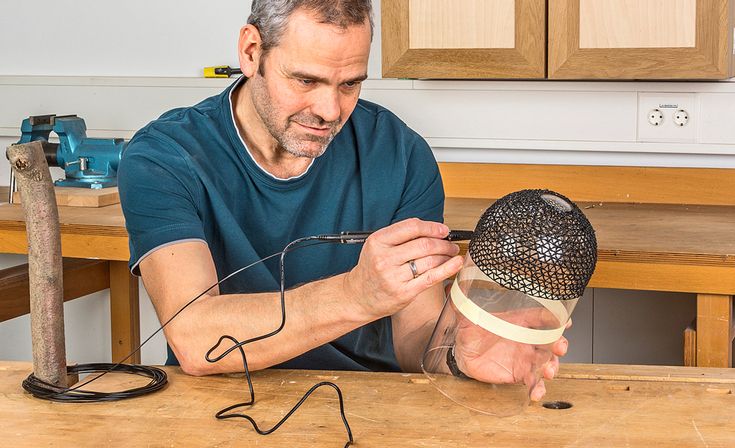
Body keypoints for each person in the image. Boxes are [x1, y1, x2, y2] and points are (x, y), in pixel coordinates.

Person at [118, 0, 567, 401]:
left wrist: (456, 352)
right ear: (251, 52)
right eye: (306, 80)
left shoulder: (400, 153)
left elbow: (416, 337)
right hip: (214, 403)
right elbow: (196, 339)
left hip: (367, 403)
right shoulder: (163, 157)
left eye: (350, 84)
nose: (330, 110)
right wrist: (356, 295)